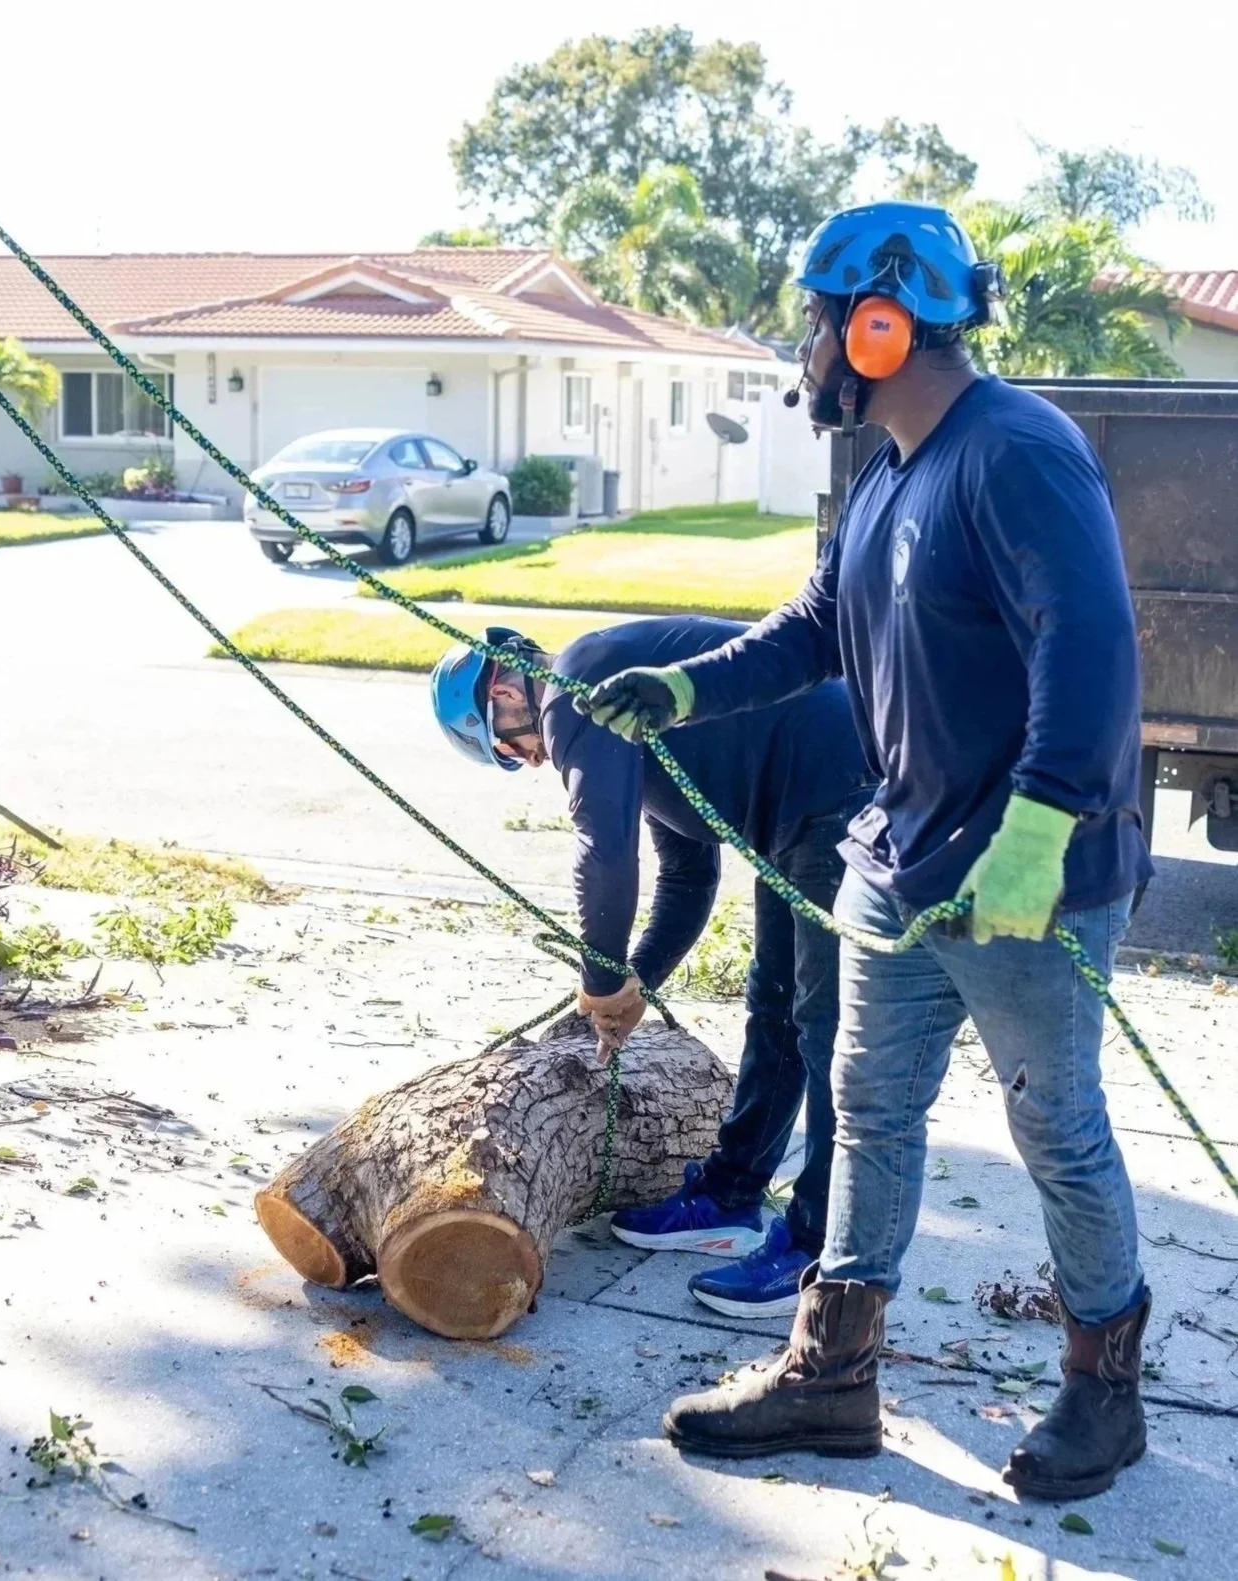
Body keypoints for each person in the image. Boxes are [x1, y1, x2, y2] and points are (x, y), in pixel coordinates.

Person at [579, 201, 1153, 1502]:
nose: (808, 352)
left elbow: (1093, 644)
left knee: (1056, 1129)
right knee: (871, 1117)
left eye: (820, 323)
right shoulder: (890, 475)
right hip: (896, 866)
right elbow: (807, 634)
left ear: (882, 323)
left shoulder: (1017, 452)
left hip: (1026, 879)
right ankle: (831, 1379)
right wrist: (680, 692)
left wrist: (1039, 828)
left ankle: (1100, 1392)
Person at [430, 618, 875, 1317]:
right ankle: (729, 1195)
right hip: (795, 813)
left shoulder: (577, 692)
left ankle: (818, 1249)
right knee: (775, 1002)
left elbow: (604, 852)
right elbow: (687, 876)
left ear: (505, 694)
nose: (533, 761)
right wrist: (634, 983)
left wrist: (601, 982)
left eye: (511, 749)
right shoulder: (623, 709)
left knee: (821, 1025)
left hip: (837, 791)